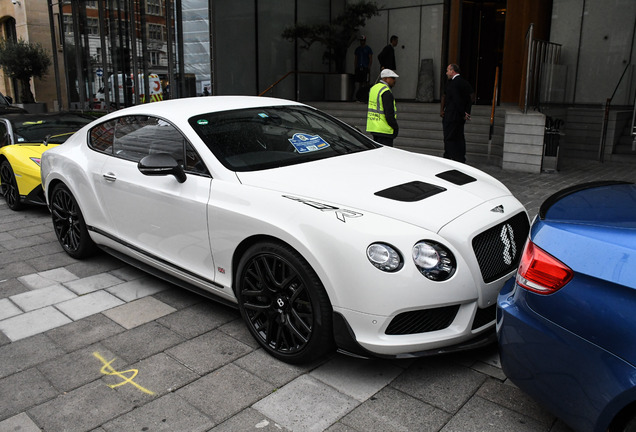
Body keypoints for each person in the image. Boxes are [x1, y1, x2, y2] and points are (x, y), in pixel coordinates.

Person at [440, 64, 473, 163]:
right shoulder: (464, 83)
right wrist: (467, 112)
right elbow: (471, 96)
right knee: (459, 137)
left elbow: (455, 99)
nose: (446, 73)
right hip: (459, 117)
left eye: (447, 71)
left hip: (451, 115)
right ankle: (460, 158)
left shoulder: (452, 83)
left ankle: (449, 158)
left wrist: (462, 112)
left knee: (449, 138)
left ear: (452, 71)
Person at [366, 69, 399, 146]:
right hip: (385, 130)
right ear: (386, 79)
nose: (394, 80)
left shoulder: (373, 88)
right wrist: (395, 127)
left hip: (374, 128)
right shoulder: (386, 91)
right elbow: (389, 114)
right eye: (393, 78)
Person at [354, 35, 373, 101]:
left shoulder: (368, 49)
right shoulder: (358, 49)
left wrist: (368, 67)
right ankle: (359, 96)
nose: (362, 42)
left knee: (366, 82)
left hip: (365, 67)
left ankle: (366, 96)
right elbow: (356, 59)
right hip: (359, 67)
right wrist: (355, 67)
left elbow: (370, 59)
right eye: (361, 40)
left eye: (363, 40)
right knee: (360, 82)